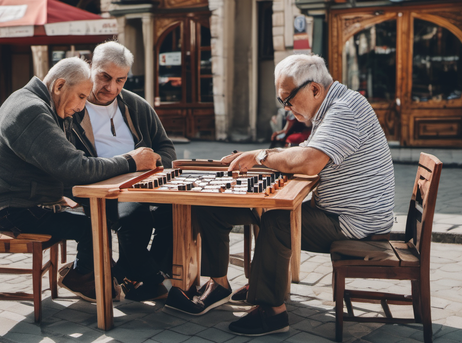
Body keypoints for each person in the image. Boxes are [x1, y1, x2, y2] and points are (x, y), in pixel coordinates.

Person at [165, 54, 395, 336]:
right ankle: (220, 283)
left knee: (278, 222)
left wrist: (262, 156)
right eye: (282, 101)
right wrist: (266, 159)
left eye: (288, 99)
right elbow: (303, 157)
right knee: (213, 207)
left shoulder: (344, 110)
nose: (287, 109)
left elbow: (309, 161)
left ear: (314, 89)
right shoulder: (336, 104)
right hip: (347, 213)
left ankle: (271, 312)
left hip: (354, 222)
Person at [0, 57, 161, 303]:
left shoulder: (37, 103)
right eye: (82, 97)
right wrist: (131, 161)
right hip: (12, 210)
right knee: (93, 226)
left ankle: (114, 274)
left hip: (22, 202)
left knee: (100, 218)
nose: (83, 107)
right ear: (59, 86)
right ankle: (82, 277)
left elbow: (68, 163)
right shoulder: (32, 111)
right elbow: (73, 166)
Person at [64, 41, 176, 302]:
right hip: (98, 188)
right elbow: (71, 166)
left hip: (143, 184)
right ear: (91, 67)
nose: (111, 88)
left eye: (120, 80)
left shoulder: (136, 105)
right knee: (134, 217)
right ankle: (155, 280)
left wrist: (156, 162)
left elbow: (166, 147)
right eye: (104, 77)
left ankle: (127, 274)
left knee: (176, 209)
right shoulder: (72, 108)